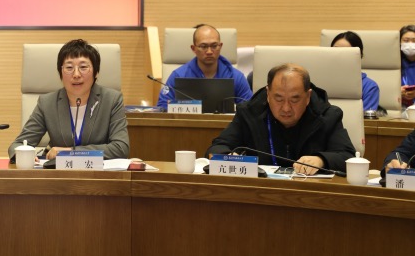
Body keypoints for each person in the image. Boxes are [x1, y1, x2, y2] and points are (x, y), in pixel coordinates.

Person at [207, 63, 356, 175]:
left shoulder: (327, 116)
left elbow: (348, 157)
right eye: (278, 99)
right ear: (268, 94)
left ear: (308, 96)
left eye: (294, 99)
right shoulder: (249, 113)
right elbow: (217, 147)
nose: (286, 108)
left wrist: (321, 160)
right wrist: (227, 157)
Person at [7, 39, 129, 161]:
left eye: (83, 67)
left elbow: (121, 148)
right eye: (69, 67)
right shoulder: (47, 103)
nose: (76, 74)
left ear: (96, 72)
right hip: (59, 171)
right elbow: (17, 145)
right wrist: (23, 155)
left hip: (98, 171)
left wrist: (70, 152)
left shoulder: (112, 100)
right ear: (60, 72)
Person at [156, 24, 252, 111]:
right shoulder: (178, 75)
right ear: (193, 48)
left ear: (220, 46)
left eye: (214, 46)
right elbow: (162, 107)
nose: (209, 51)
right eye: (203, 46)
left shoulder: (236, 77)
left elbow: (250, 110)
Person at [330, 31, 380, 112]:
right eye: (335, 51)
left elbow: (366, 118)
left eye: (346, 52)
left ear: (359, 56)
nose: (339, 56)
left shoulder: (369, 86)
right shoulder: (320, 81)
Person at [399, 25, 415, 108]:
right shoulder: (393, 63)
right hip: (399, 106)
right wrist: (397, 92)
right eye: (406, 40)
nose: (410, 44)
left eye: (414, 41)